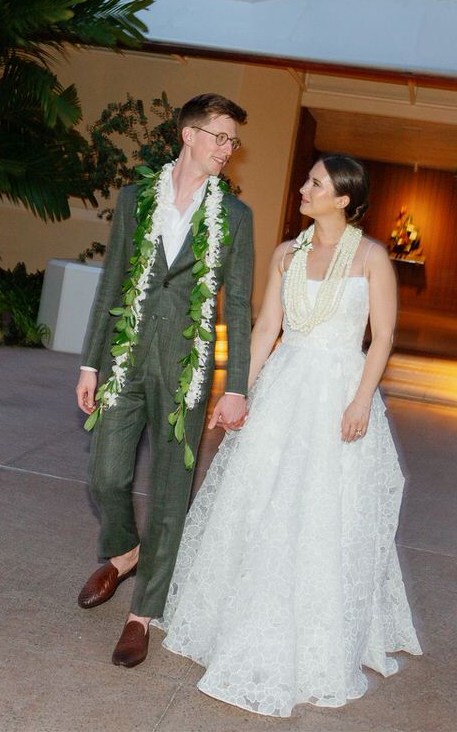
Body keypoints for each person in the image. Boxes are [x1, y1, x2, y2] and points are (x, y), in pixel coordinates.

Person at [154, 154, 421, 716]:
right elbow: (268, 328)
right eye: (307, 179)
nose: (304, 187)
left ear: (343, 198)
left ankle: (317, 637)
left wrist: (361, 400)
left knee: (322, 512)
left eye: (316, 183)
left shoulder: (372, 257)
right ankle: (237, 618)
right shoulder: (286, 253)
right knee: (259, 502)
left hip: (339, 392)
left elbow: (384, 336)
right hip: (285, 387)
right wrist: (238, 393)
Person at [75, 93, 254, 669]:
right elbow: (113, 280)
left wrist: (237, 385)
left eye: (233, 141)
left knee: (172, 494)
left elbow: (240, 306)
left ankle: (140, 617)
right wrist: (89, 362)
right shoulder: (135, 200)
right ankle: (125, 551)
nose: (227, 149)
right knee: (105, 474)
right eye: (219, 137)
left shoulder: (236, 217)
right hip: (126, 356)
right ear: (188, 134)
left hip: (188, 369)